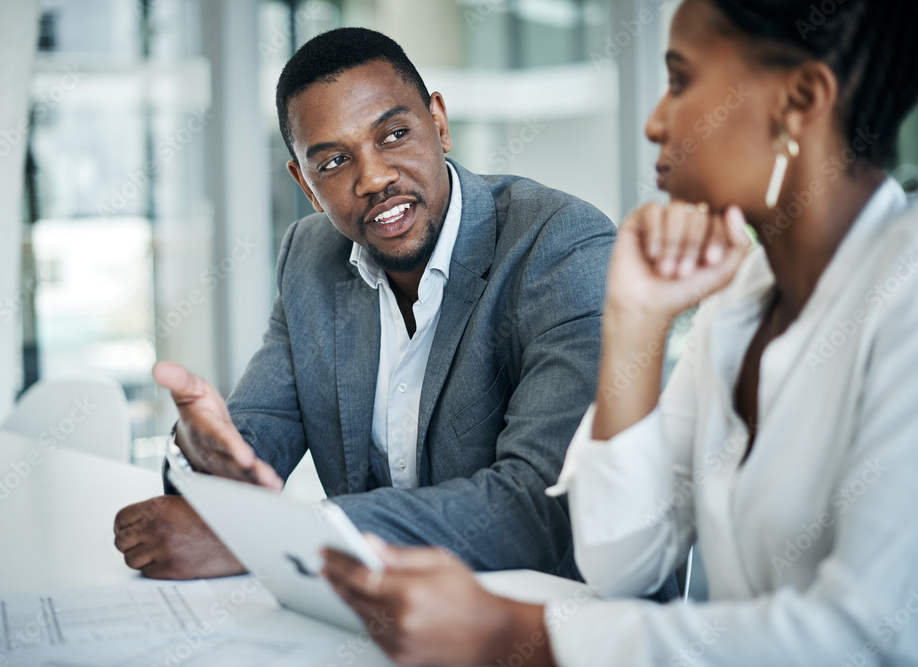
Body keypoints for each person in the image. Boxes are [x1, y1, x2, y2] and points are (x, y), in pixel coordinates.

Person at [321, 0, 918, 664]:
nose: (656, 121)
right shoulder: (744, 299)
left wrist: (517, 633)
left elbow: (867, 637)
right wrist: (637, 321)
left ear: (800, 98)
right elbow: (619, 560)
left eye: (681, 80)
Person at [112, 27, 643, 588]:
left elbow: (537, 507)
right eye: (335, 161)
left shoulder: (563, 245)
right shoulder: (309, 257)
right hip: (375, 618)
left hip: (550, 621)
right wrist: (201, 458)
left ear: (438, 124)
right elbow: (254, 439)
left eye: (393, 135)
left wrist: (286, 535)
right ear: (306, 184)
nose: (374, 178)